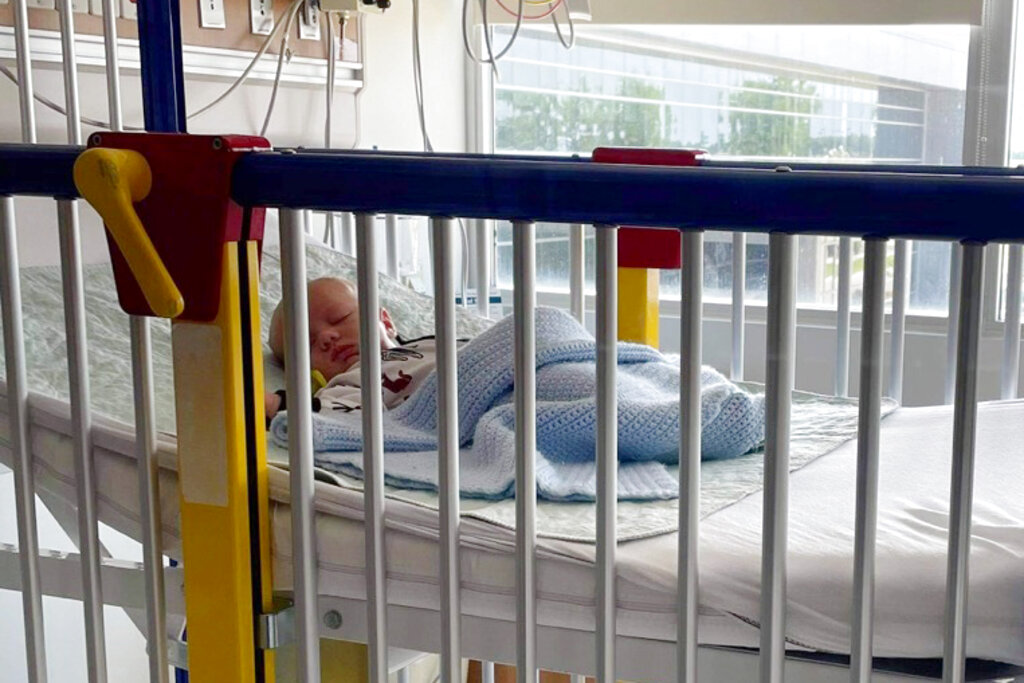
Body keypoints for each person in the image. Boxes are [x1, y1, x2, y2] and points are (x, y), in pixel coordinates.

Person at [265, 276, 464, 422]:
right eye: (307, 344)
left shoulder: (434, 344)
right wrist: (273, 403)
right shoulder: (346, 384)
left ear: (385, 322)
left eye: (340, 318)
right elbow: (330, 417)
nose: (326, 337)